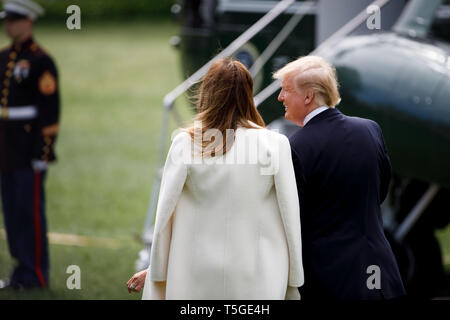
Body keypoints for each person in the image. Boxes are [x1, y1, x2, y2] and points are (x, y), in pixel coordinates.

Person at [126, 58, 304, 299]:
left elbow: (165, 214)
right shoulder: (275, 144)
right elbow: (289, 214)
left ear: (207, 92)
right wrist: (294, 278)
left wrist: (157, 269)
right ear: (248, 93)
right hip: (255, 272)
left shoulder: (186, 143)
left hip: (194, 270)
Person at [273, 55, 405, 300]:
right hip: (382, 277)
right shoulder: (370, 130)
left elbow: (291, 218)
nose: (280, 97)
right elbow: (379, 192)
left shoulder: (295, 147)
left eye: (286, 90)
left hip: (328, 283)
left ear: (308, 96)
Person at [0, 0, 60, 290]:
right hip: (6, 149)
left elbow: (50, 111)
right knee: (11, 214)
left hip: (28, 151)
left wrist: (43, 153)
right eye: (6, 20)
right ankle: (20, 271)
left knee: (29, 214)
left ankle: (35, 274)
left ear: (28, 21)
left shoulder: (41, 61)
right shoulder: (3, 57)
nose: (8, 25)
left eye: (13, 20)